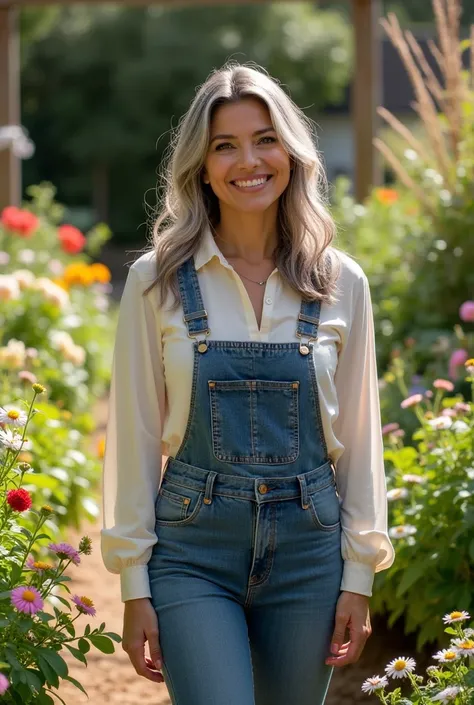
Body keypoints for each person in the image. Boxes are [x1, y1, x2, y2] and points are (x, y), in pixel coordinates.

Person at [100, 62, 395, 705]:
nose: (248, 160)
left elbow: (359, 436)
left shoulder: (342, 282)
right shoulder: (156, 282)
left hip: (309, 552)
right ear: (201, 167)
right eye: (224, 146)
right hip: (192, 550)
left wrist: (358, 575)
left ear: (290, 151)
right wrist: (134, 586)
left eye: (265, 138)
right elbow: (135, 436)